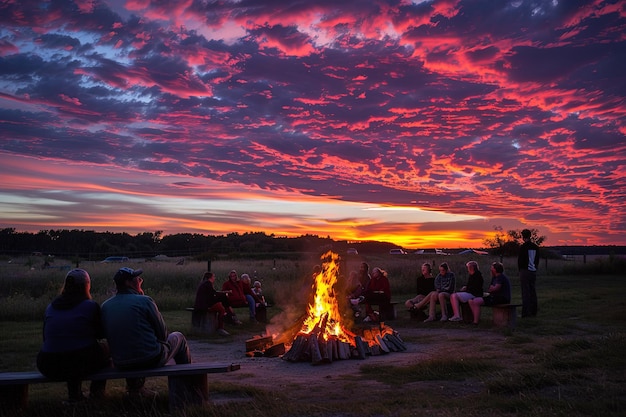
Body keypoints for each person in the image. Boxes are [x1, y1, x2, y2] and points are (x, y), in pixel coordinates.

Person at [101, 267, 191, 397]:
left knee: (131, 345)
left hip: (121, 362)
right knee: (179, 338)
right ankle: (188, 386)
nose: (140, 281)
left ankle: (135, 389)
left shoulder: (105, 306)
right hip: (150, 359)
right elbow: (163, 335)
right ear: (128, 283)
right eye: (138, 279)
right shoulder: (144, 301)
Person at [36, 268, 110, 404]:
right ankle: (96, 393)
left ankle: (75, 395)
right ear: (86, 286)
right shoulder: (90, 306)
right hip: (77, 362)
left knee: (71, 351)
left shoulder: (51, 307)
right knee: (104, 352)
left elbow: (45, 338)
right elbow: (101, 334)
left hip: (47, 364)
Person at [518, 229, 540, 317]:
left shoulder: (523, 247)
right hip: (533, 271)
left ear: (523, 237)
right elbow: (537, 259)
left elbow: (520, 260)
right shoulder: (535, 247)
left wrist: (520, 270)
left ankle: (526, 312)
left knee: (525, 292)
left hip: (525, 271)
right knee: (532, 291)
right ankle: (533, 311)